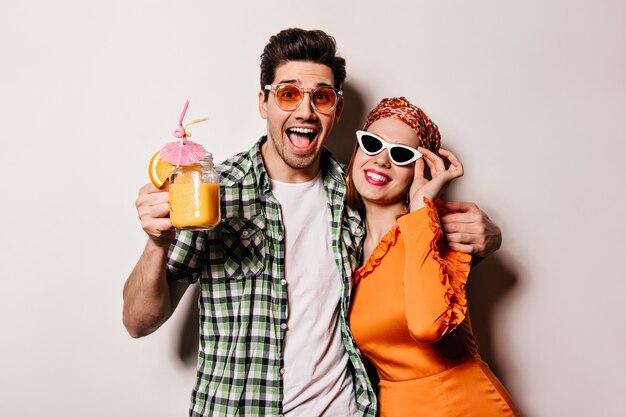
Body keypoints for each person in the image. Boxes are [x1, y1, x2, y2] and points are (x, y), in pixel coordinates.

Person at [123, 29, 503, 417]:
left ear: (336, 111)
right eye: (288, 94)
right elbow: (139, 322)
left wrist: (488, 239)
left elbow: (415, 258)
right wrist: (156, 242)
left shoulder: (358, 192)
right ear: (264, 103)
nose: (304, 111)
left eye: (320, 97)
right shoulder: (214, 193)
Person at [347, 97, 519, 416]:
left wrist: (421, 204)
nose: (382, 161)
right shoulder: (344, 243)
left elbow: (428, 325)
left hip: (466, 405)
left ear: (421, 169)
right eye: (371, 144)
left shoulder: (437, 229)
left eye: (401, 155)